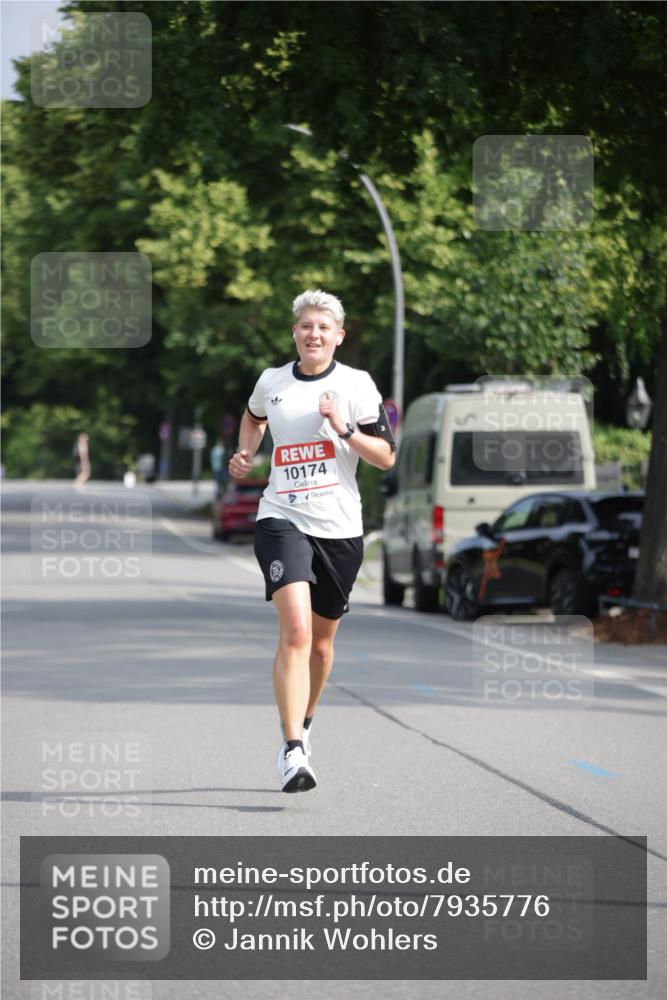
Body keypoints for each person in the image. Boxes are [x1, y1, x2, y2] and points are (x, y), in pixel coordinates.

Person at [228, 289, 396, 792]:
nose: (314, 334)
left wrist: (344, 430)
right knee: (297, 632)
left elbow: (386, 455)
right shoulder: (272, 382)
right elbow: (254, 417)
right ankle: (292, 748)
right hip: (282, 518)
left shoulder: (357, 385)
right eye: (306, 325)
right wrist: (245, 453)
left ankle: (307, 720)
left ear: (338, 336)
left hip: (341, 530)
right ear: (295, 332)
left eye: (324, 327)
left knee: (322, 647)